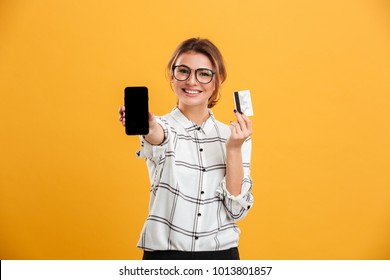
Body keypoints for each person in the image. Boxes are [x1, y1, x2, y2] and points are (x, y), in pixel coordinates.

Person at [118, 37, 253, 260]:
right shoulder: (162, 127)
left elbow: (236, 210)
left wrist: (233, 149)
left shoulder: (236, 136)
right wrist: (149, 125)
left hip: (221, 258)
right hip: (164, 257)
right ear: (172, 75)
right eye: (183, 71)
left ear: (217, 80)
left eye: (203, 73)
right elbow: (158, 136)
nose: (192, 81)